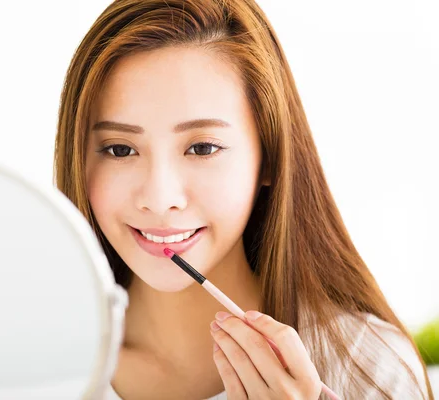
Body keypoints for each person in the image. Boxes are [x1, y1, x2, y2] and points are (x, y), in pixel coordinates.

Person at [53, 0, 433, 398]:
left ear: (268, 156)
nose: (160, 198)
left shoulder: (366, 366)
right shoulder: (33, 367)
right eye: (119, 150)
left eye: (202, 148)